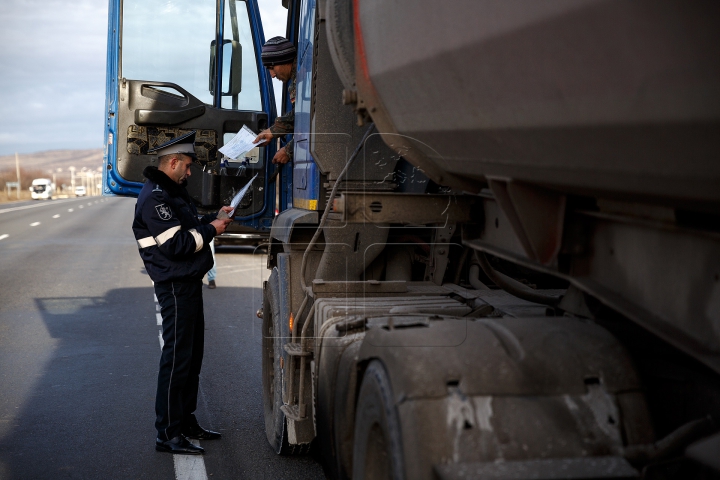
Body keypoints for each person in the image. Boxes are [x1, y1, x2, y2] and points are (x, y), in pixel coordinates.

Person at [132, 131, 233, 455]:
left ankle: (186, 422)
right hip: (175, 285)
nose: (190, 172)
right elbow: (176, 245)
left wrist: (213, 219)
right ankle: (168, 434)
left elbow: (188, 227)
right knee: (177, 361)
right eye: (187, 166)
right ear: (172, 162)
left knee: (191, 359)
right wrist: (211, 230)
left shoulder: (171, 193)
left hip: (187, 283)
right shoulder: (155, 197)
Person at [253, 36, 297, 165]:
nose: (272, 75)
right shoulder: (300, 75)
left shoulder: (301, 80)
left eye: (272, 68)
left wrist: (288, 150)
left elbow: (305, 119)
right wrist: (272, 131)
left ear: (284, 60)